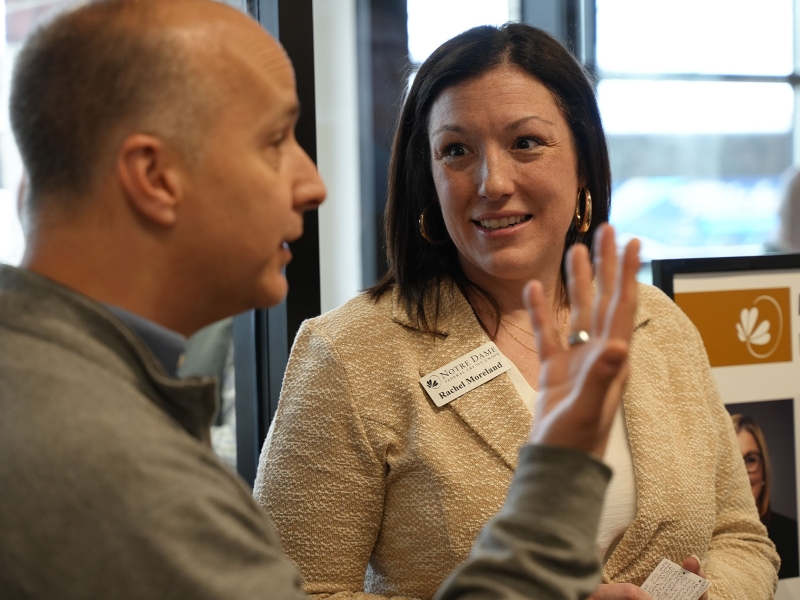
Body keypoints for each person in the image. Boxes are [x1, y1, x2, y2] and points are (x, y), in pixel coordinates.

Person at [0, 1, 644, 598]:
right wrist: (561, 468)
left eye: (526, 143)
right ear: (154, 177)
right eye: (276, 141)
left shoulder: (59, 389)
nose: (313, 184)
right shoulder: (117, 469)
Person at [256, 23, 779, 600]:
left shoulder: (656, 324)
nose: (492, 182)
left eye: (526, 142)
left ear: (582, 162)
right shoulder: (351, 355)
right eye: (456, 151)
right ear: (427, 181)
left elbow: (741, 536)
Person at [732, 414, 800, 579]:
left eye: (750, 460)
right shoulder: (703, 538)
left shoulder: (792, 535)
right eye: (733, 461)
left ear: (764, 468)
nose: (742, 472)